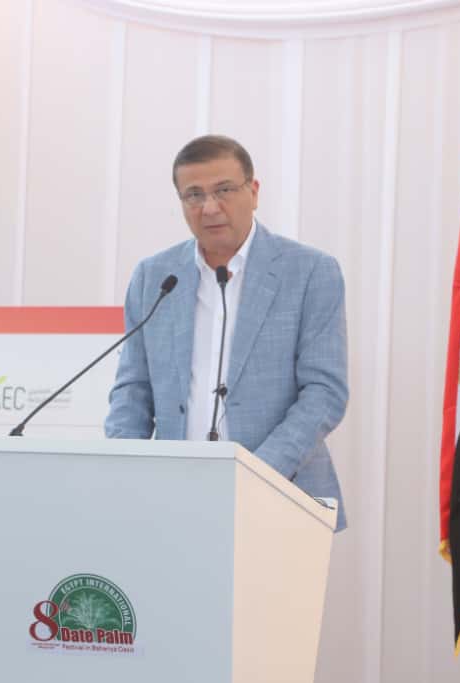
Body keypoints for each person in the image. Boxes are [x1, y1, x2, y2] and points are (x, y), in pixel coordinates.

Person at [104, 135, 349, 530]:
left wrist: (256, 476)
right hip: (172, 500)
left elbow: (325, 393)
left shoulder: (310, 271)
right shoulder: (154, 277)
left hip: (280, 496)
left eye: (224, 190)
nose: (210, 207)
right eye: (194, 195)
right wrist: (126, 471)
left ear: (254, 191)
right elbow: (133, 388)